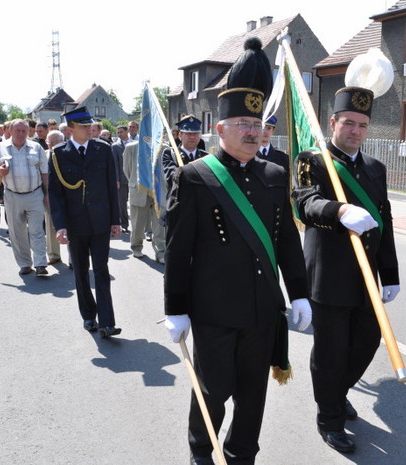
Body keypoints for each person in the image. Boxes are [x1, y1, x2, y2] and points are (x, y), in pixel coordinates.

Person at [163, 38, 311, 465]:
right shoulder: (195, 177)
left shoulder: (275, 174)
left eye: (257, 122)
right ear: (221, 129)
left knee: (253, 394)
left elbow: (286, 240)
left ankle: (242, 455)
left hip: (262, 311)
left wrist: (299, 293)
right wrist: (176, 308)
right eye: (242, 122)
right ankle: (201, 451)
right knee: (212, 391)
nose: (252, 131)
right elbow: (178, 249)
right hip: (213, 311)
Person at [292, 84, 400, 453]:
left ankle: (337, 392)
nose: (355, 131)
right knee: (331, 351)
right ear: (333, 122)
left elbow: (384, 222)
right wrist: (338, 210)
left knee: (367, 341)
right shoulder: (312, 160)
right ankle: (329, 418)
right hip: (328, 274)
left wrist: (391, 274)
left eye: (362, 125)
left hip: (366, 275)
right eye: (349, 123)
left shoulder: (375, 168)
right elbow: (305, 203)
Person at [48, 106, 122, 337]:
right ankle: (89, 315)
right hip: (75, 224)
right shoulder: (58, 154)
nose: (89, 129)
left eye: (90, 125)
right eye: (83, 126)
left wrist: (115, 220)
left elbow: (111, 188)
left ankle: (107, 322)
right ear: (70, 129)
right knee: (80, 272)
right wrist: (60, 225)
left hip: (100, 221)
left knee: (101, 270)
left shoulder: (103, 149)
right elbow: (56, 194)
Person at [0, 119, 49, 277]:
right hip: (12, 195)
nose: (21, 134)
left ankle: (40, 264)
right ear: (10, 131)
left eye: (24, 131)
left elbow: (44, 172)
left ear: (28, 131)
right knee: (17, 232)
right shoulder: (0, 147)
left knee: (37, 231)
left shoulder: (36, 147)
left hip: (35, 194)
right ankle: (25, 264)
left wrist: (47, 194)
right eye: (18, 130)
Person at [122, 140, 165, 263]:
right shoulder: (131, 147)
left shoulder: (164, 147)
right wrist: (135, 183)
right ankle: (136, 247)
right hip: (139, 190)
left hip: (158, 191)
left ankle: (161, 251)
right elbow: (127, 169)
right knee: (138, 223)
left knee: (160, 225)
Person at [161, 114, 208, 193]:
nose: (192, 137)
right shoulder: (170, 154)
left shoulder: (206, 157)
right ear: (180, 135)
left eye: (195, 134)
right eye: (188, 134)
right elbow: (173, 178)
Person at [44, 130, 65, 264]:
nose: (51, 145)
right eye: (49, 142)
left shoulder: (68, 154)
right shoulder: (44, 155)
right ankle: (53, 254)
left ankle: (73, 258)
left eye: (54, 142)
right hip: (49, 195)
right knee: (50, 224)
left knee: (71, 226)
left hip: (67, 195)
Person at [111, 124, 130, 232]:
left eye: (121, 132)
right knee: (122, 203)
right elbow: (115, 164)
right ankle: (124, 224)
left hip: (134, 178)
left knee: (137, 203)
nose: (119, 134)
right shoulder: (115, 146)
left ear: (127, 131)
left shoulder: (135, 143)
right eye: (117, 132)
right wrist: (117, 179)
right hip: (122, 180)